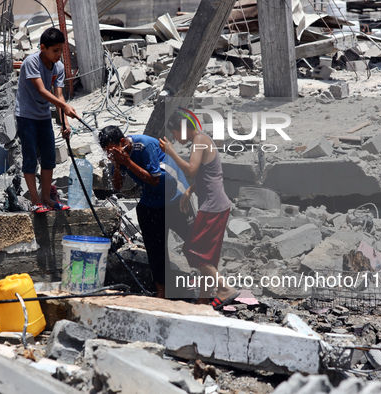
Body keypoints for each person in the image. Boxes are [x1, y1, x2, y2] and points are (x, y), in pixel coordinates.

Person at [98, 125, 190, 298]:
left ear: (123, 142)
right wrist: (117, 165)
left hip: (174, 196)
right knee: (155, 250)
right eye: (107, 153)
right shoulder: (119, 156)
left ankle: (214, 284)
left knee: (193, 241)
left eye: (112, 151)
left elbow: (154, 179)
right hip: (152, 200)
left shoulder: (145, 145)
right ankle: (161, 291)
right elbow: (117, 186)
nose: (110, 155)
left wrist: (127, 162)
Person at [159, 113, 239, 309]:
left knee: (193, 252)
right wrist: (190, 189)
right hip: (218, 205)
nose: (176, 138)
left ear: (183, 127)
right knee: (208, 257)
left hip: (212, 207)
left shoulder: (200, 140)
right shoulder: (203, 140)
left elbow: (192, 170)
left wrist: (171, 152)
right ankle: (204, 299)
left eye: (175, 133)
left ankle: (225, 288)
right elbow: (210, 174)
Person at [15, 27, 78, 213]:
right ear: (43, 48)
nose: (59, 54)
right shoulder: (31, 62)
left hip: (43, 116)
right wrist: (64, 107)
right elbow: (42, 91)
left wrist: (65, 123)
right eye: (55, 50)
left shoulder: (58, 67)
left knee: (49, 158)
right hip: (26, 116)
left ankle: (47, 198)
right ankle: (35, 201)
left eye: (61, 50)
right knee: (30, 159)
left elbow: (59, 96)